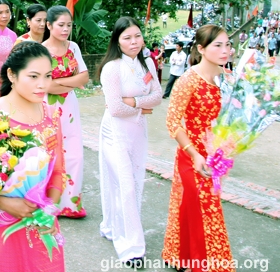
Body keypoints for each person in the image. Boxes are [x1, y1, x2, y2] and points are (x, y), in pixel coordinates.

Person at [0, 42, 66, 272]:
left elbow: (59, 170)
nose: (42, 85)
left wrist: (49, 211)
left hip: (42, 218)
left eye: (48, 76)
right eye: (33, 76)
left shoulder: (51, 114)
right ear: (12, 74)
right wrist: (5, 203)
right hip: (0, 220)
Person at [162, 25, 235, 272]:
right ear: (201, 49)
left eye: (227, 45)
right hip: (191, 156)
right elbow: (173, 122)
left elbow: (231, 119)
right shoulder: (188, 80)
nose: (225, 51)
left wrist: (229, 145)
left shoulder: (228, 79)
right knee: (197, 208)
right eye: (218, 45)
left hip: (217, 156)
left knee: (203, 208)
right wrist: (194, 154)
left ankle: (184, 257)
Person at [97, 17, 162, 267]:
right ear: (117, 40)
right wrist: (140, 107)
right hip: (115, 132)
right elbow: (114, 108)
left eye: (137, 36)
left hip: (138, 131)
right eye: (127, 37)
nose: (134, 42)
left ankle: (112, 225)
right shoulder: (112, 68)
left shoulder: (147, 65)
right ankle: (131, 247)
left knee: (134, 183)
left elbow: (157, 96)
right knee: (124, 184)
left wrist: (134, 103)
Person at [43, 6, 89, 218]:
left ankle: (70, 204)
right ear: (49, 25)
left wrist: (60, 83)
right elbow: (45, 85)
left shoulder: (74, 48)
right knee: (50, 152)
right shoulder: (40, 50)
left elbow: (84, 78)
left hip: (69, 106)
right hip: (47, 106)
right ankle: (49, 202)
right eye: (60, 25)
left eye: (68, 25)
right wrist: (70, 84)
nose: (65, 29)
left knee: (74, 153)